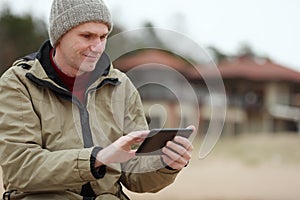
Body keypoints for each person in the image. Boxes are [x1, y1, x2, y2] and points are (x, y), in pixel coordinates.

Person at [0, 0, 194, 199]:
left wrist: (166, 164)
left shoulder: (120, 85)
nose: (97, 47)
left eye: (103, 37)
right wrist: (97, 159)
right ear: (59, 36)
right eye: (87, 36)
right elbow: (21, 168)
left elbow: (134, 174)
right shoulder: (17, 84)